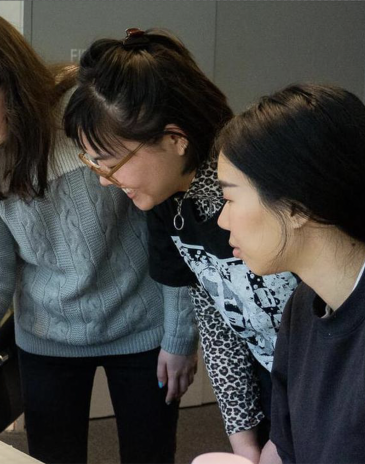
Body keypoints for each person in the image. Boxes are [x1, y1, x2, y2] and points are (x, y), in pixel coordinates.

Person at [0, 7, 198, 464]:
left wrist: (180, 335)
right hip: (47, 336)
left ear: (9, 81)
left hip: (144, 327)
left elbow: (170, 228)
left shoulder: (88, 117)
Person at [62, 29, 299, 462]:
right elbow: (218, 319)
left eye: (110, 163)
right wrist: (244, 441)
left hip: (326, 390)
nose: (103, 179)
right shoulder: (167, 198)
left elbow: (325, 329)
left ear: (174, 139)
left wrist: (286, 434)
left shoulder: (256, 186)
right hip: (275, 385)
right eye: (92, 162)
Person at [216, 83, 365, 464]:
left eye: (230, 198)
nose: (222, 219)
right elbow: (286, 447)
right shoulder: (304, 304)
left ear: (298, 205)